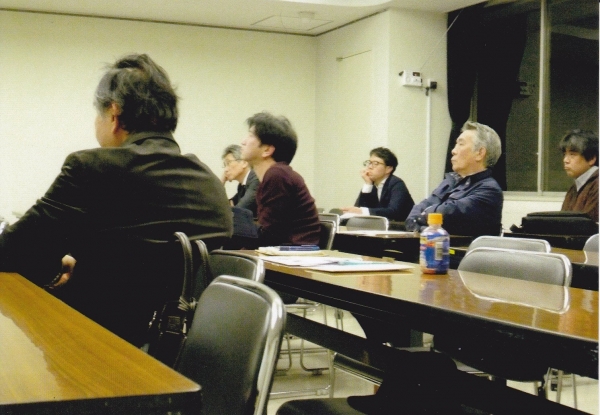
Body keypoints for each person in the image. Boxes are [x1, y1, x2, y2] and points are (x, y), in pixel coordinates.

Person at [0, 53, 232, 347]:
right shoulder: (211, 183)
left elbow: (10, 251)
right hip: (180, 352)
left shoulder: (90, 168)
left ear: (113, 112)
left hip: (87, 344)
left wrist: (59, 263)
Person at [405, 121, 503, 237]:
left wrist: (423, 221)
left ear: (480, 153)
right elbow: (415, 214)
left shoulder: (489, 190)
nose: (453, 151)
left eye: (461, 144)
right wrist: (424, 225)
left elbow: (447, 216)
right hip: (431, 246)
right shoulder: (450, 182)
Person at [240, 111, 320, 247]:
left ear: (267, 150)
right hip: (284, 250)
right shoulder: (275, 174)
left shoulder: (277, 175)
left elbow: (269, 234)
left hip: (294, 253)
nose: (243, 142)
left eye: (251, 135)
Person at [341, 147, 414, 221]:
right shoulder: (372, 184)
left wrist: (362, 211)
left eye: (375, 163)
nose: (370, 167)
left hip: (401, 226)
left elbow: (393, 212)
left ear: (388, 169)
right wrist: (368, 184)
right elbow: (358, 209)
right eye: (369, 163)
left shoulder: (396, 184)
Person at [559, 129, 598, 222]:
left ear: (591, 158)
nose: (565, 160)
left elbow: (587, 225)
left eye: (572, 154)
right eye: (565, 154)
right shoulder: (575, 187)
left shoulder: (597, 185)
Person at [221, 144, 259, 216]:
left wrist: (232, 209)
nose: (225, 170)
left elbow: (238, 212)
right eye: (225, 165)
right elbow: (225, 207)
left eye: (228, 163)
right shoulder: (241, 186)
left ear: (244, 162)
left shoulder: (256, 179)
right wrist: (221, 183)